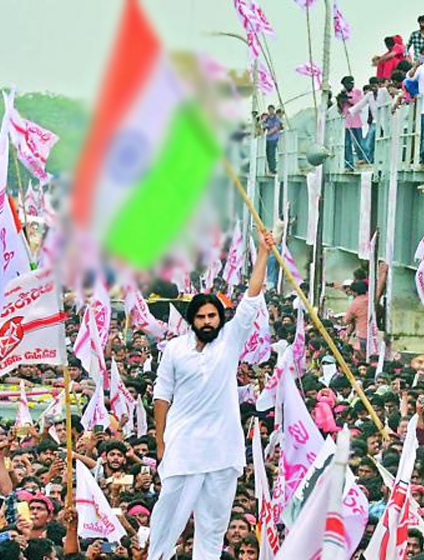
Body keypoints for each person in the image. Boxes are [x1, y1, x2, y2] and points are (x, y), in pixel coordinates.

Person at [148, 226, 272, 560]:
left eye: (212, 315)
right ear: (192, 320)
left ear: (219, 318)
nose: (207, 320)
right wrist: (160, 441)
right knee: (168, 512)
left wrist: (262, 253)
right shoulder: (174, 350)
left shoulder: (229, 342)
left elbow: (250, 299)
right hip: (183, 445)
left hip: (222, 448)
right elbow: (162, 395)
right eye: (201, 316)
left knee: (214, 525)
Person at [338, 76, 367, 169]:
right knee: (347, 144)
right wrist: (340, 100)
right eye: (348, 84)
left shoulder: (357, 92)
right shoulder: (342, 93)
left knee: (359, 142)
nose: (350, 85)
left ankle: (362, 159)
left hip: (356, 122)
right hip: (346, 122)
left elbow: (357, 103)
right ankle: (349, 163)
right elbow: (340, 109)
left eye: (352, 83)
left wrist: (348, 99)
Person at [262, 105, 283, 175]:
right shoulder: (267, 118)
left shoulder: (276, 118)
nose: (270, 111)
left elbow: (276, 127)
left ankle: (273, 169)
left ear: (273, 110)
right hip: (267, 139)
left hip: (273, 138)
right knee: (268, 154)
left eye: (272, 109)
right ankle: (270, 169)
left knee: (272, 153)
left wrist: (269, 133)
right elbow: (264, 125)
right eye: (269, 110)